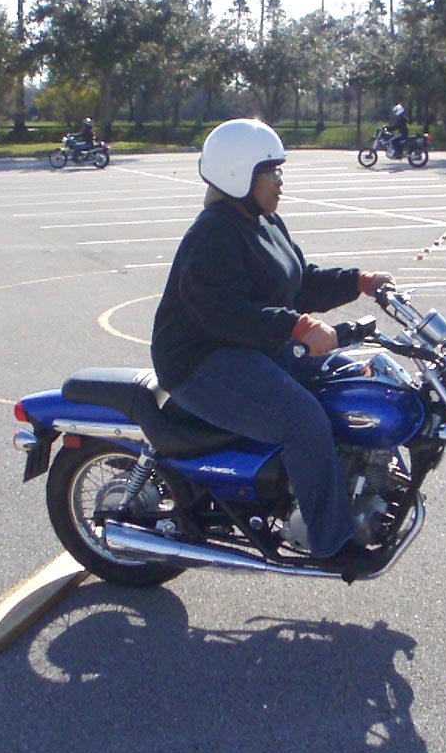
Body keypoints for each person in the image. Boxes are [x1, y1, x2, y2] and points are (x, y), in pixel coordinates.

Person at [150, 118, 395, 571]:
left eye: (280, 170)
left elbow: (298, 282)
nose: (280, 180)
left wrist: (359, 281)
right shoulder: (213, 234)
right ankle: (331, 542)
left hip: (250, 348)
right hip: (201, 361)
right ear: (238, 174)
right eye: (271, 171)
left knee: (354, 377)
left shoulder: (263, 221)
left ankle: (359, 484)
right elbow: (222, 312)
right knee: (302, 420)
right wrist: (299, 327)